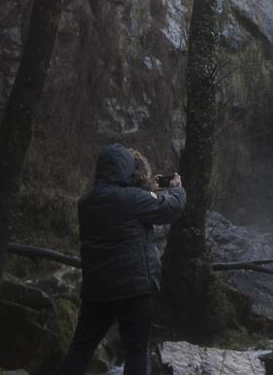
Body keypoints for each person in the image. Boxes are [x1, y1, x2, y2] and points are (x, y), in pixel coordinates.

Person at [55, 142, 185, 375]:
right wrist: (177, 189)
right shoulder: (134, 199)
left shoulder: (86, 203)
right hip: (134, 289)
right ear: (127, 170)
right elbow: (170, 208)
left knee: (80, 348)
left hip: (98, 290)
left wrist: (146, 189)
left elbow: (122, 209)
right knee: (137, 351)